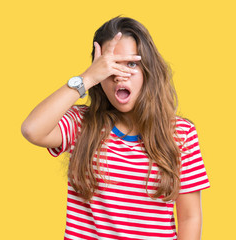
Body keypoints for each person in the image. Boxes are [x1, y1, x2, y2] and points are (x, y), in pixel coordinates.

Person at [21, 16, 210, 240]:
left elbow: (190, 217)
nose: (120, 75)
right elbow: (32, 129)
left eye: (131, 64)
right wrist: (87, 77)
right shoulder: (81, 123)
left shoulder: (180, 133)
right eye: (111, 66)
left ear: (148, 70)